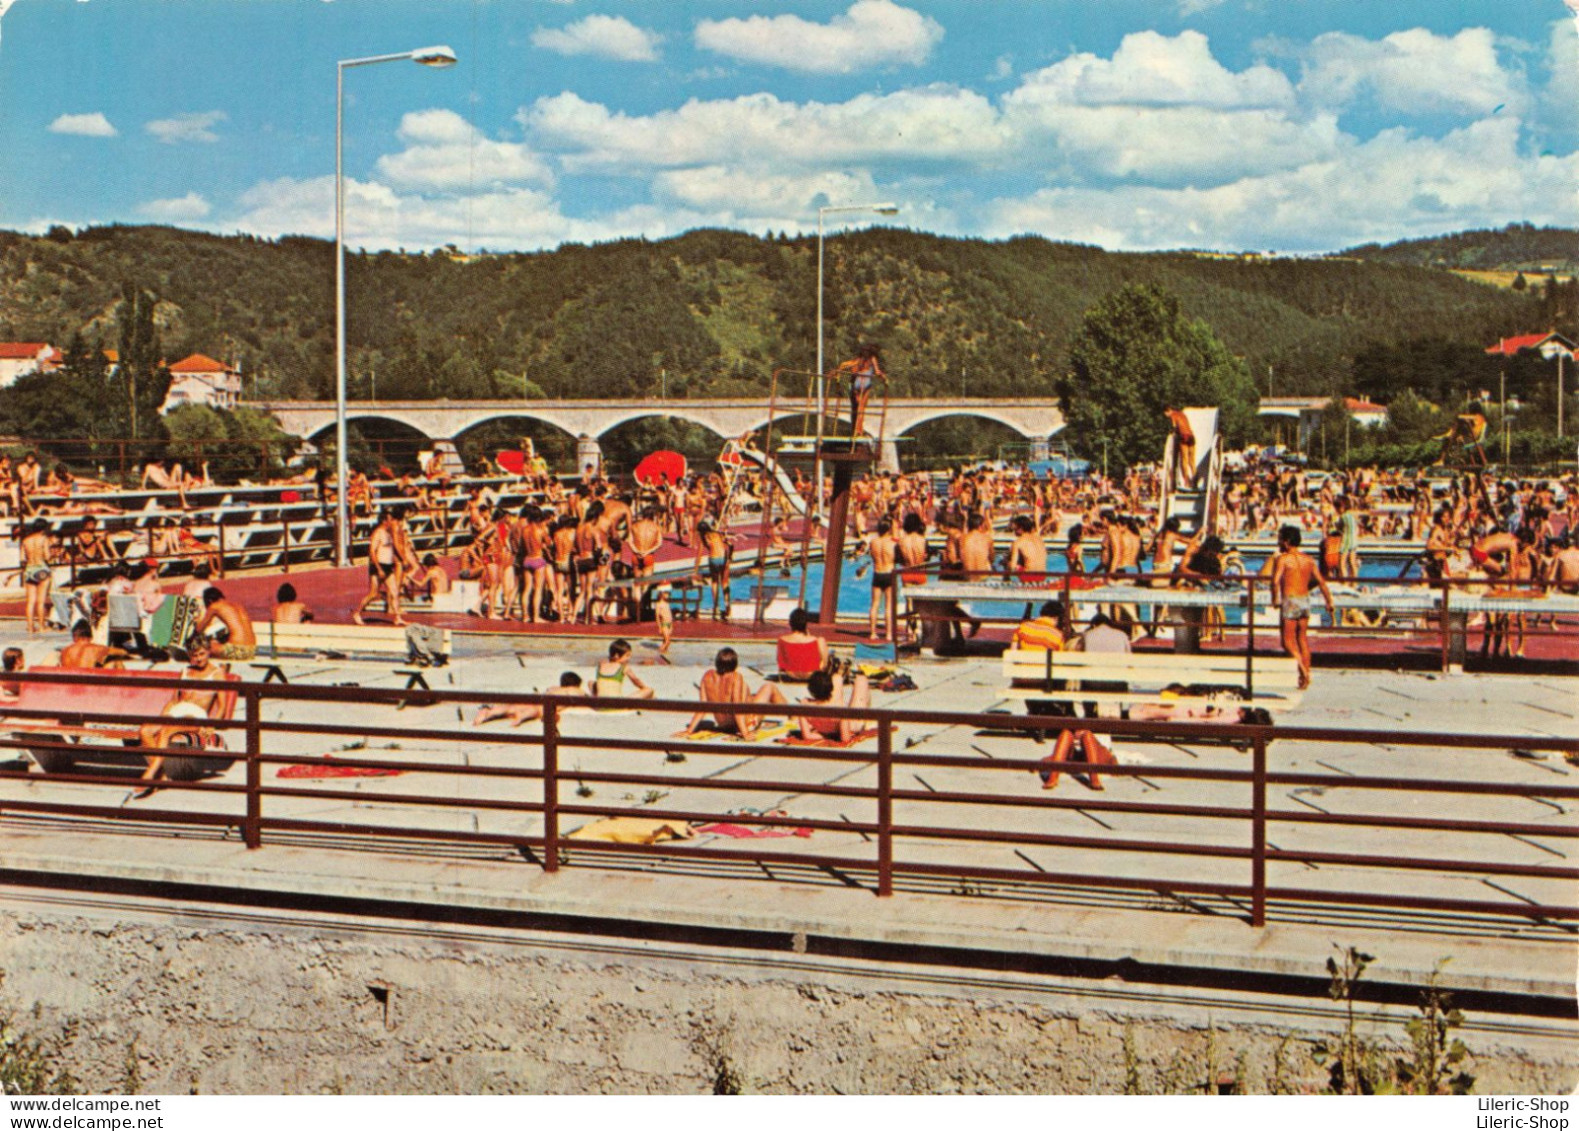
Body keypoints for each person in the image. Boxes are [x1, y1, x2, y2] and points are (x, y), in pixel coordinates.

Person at [130, 640, 230, 799]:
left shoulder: (216, 674)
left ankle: (149, 775)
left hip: (195, 716)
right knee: (145, 731)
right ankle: (161, 776)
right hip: (176, 713)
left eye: (202, 654)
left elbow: (222, 706)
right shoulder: (185, 671)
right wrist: (163, 716)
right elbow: (174, 700)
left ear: (209, 652)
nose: (198, 659)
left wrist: (211, 726)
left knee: (166, 732)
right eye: (194, 655)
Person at [1269, 525, 1335, 691]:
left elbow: (1275, 581)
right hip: (1304, 599)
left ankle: (1303, 670)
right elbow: (1321, 581)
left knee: (1286, 642)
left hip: (1290, 600)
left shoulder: (1283, 559)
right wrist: (1329, 601)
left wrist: (1274, 598)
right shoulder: (1309, 560)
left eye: (1279, 539)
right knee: (1302, 639)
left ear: (1285, 542)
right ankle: (1304, 676)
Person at [682, 647, 788, 740]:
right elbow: (737, 707)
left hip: (723, 725)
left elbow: (703, 707)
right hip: (744, 724)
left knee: (750, 695)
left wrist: (689, 730)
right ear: (735, 665)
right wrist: (745, 733)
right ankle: (793, 714)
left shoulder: (707, 676)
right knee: (769, 687)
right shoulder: (736, 677)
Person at [473, 671, 588, 727]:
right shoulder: (574, 690)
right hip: (540, 706)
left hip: (536, 697)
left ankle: (489, 712)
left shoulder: (555, 688)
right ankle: (520, 718)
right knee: (533, 711)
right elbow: (584, 697)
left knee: (510, 707)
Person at [355, 509, 405, 626]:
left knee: (394, 592)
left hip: (388, 566)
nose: (392, 521)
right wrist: (379, 568)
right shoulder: (378, 533)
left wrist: (395, 559)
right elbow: (372, 551)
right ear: (384, 520)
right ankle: (357, 612)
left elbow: (389, 549)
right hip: (378, 566)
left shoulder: (389, 533)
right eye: (390, 519)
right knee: (373, 593)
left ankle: (398, 617)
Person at [798, 667, 872, 744]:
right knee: (861, 680)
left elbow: (807, 736)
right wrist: (832, 737)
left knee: (837, 677)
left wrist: (824, 736)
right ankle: (866, 716)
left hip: (825, 724)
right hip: (850, 725)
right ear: (830, 688)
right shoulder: (840, 709)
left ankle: (838, 673)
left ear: (810, 689)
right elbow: (845, 738)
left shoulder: (804, 705)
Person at [832, 343, 884, 439]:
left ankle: (858, 430)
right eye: (865, 352)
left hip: (862, 385)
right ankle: (857, 430)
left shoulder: (865, 359)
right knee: (859, 408)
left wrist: (881, 376)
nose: (866, 354)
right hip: (860, 385)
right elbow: (846, 365)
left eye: (867, 352)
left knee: (859, 409)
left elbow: (876, 371)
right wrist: (838, 372)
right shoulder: (863, 360)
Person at [194, 586, 257, 662]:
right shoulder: (238, 606)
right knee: (216, 643)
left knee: (202, 647)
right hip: (252, 650)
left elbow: (199, 629)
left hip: (236, 650)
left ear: (210, 601)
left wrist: (195, 621)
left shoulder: (214, 606)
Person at [776, 605, 830, 680]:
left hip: (791, 674)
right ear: (805, 624)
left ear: (791, 623)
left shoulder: (782, 640)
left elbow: (781, 663)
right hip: (812, 674)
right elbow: (824, 663)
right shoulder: (815, 640)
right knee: (821, 640)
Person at [866, 517, 898, 641]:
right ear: (889, 529)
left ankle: (872, 633)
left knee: (874, 604)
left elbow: (872, 557)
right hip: (889, 573)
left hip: (877, 573)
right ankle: (889, 634)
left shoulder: (873, 542)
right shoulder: (893, 543)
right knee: (888, 606)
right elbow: (896, 558)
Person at [20, 519, 54, 634]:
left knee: (30, 602)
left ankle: (30, 627)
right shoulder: (44, 539)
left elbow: (22, 559)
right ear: (44, 529)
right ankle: (41, 626)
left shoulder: (25, 540)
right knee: (41, 601)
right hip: (41, 568)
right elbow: (47, 556)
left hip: (30, 569)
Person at [58, 620, 132, 669]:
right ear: (91, 636)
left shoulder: (65, 650)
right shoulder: (96, 649)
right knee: (116, 661)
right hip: (88, 685)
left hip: (69, 685)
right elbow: (123, 652)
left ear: (74, 636)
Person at [1166, 407, 1196, 490]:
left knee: (1184, 459)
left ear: (1168, 411)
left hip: (1184, 437)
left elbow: (1174, 427)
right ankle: (1195, 477)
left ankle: (1187, 481)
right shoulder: (1183, 414)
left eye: (1166, 415)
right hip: (1191, 436)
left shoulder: (1173, 415)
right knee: (1192, 461)